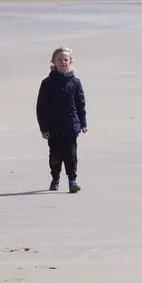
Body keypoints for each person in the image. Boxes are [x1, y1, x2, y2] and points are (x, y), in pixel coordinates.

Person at [36, 47, 87, 192]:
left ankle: (72, 181)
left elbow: (80, 104)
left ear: (70, 62)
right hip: (53, 126)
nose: (63, 62)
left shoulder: (75, 82)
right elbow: (41, 107)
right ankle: (55, 178)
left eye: (66, 60)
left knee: (71, 154)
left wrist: (83, 123)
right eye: (59, 60)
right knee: (55, 156)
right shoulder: (47, 83)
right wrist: (44, 128)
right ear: (53, 62)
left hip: (71, 124)